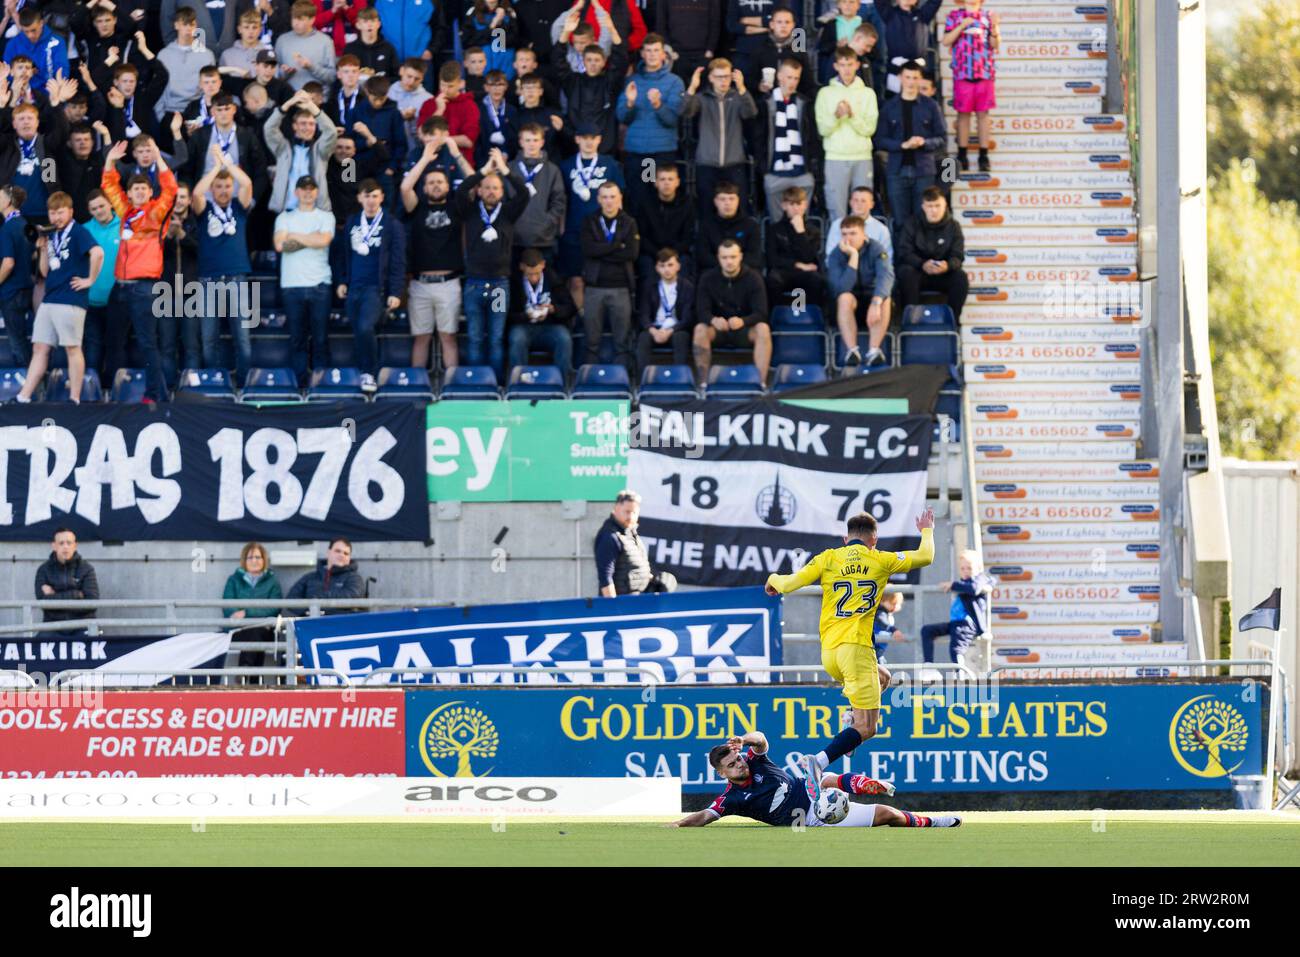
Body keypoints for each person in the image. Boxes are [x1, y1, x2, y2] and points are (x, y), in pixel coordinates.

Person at [764, 507, 935, 773]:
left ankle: (849, 720)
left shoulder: (828, 558)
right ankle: (818, 761)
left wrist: (773, 579)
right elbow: (926, 556)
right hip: (857, 649)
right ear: (874, 540)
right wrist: (927, 529)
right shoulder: (881, 558)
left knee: (884, 678)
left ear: (847, 539)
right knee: (868, 728)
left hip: (830, 653)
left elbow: (787, 585)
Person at [670, 731, 960, 828]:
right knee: (888, 815)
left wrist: (744, 739)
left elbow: (760, 740)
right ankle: (933, 821)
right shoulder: (731, 799)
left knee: (819, 774)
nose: (740, 764)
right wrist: (677, 824)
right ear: (722, 774)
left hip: (807, 787)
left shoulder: (756, 760)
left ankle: (860, 782)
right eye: (732, 765)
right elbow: (704, 816)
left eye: (739, 758)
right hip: (809, 815)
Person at [10, 193, 104, 405]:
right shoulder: (51, 235)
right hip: (50, 298)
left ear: (70, 212)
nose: (56, 217)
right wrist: (43, 248)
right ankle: (23, 396)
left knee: (72, 348)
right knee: (40, 348)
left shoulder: (79, 232)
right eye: (52, 213)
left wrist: (90, 280)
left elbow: (98, 253)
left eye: (60, 212)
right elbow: (44, 271)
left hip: (70, 299)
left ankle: (75, 398)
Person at [454, 148, 530, 379]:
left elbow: (524, 194)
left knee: (496, 337)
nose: (490, 191)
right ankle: (478, 383)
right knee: (476, 337)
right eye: (486, 187)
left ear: (501, 192)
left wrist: (506, 171)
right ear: (480, 191)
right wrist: (484, 171)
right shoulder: (469, 211)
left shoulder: (507, 212)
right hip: (474, 284)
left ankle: (495, 384)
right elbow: (461, 191)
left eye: (495, 188)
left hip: (498, 286)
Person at [192, 149, 257, 388]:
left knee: (243, 338)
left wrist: (226, 164)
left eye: (227, 186)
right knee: (209, 338)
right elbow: (197, 193)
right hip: (208, 279)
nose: (223, 190)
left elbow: (247, 182)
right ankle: (215, 384)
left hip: (236, 277)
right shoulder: (204, 210)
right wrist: (214, 170)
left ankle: (243, 386)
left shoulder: (239, 208)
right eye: (218, 187)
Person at [335, 178, 406, 391]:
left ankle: (370, 372)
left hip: (375, 289)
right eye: (367, 196)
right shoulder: (352, 221)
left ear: (382, 197)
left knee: (366, 328)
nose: (371, 201)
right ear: (359, 198)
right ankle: (362, 372)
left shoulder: (392, 225)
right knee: (358, 331)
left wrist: (395, 291)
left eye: (375, 196)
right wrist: (342, 280)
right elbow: (342, 254)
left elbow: (398, 261)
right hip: (353, 287)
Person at [402, 149, 466, 371]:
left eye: (440, 182)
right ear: (425, 187)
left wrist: (457, 155)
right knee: (421, 339)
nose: (436, 185)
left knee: (448, 338)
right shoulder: (416, 207)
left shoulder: (456, 207)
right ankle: (417, 388)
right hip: (419, 285)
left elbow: (475, 182)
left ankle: (452, 387)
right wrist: (424, 159)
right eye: (431, 182)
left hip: (449, 284)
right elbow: (404, 187)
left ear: (448, 186)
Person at [274, 175, 336, 385]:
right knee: (297, 339)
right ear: (296, 192)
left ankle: (321, 385)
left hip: (320, 284)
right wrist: (311, 237)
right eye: (303, 189)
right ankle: (298, 386)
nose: (308, 193)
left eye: (311, 189)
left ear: (317, 192)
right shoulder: (284, 217)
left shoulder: (326, 216)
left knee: (320, 339)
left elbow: (324, 240)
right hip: (292, 285)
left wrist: (295, 236)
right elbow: (280, 246)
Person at [615, 34, 683, 215]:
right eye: (648, 50)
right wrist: (629, 103)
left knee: (655, 202)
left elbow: (672, 120)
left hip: (657, 153)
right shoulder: (632, 81)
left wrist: (658, 105)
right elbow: (622, 116)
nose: (652, 54)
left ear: (663, 55)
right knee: (638, 202)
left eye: (656, 50)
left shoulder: (674, 82)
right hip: (637, 152)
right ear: (642, 54)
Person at [682, 59, 756, 217]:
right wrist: (692, 88)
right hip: (707, 163)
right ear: (710, 78)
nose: (723, 81)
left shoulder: (737, 97)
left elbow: (750, 112)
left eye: (727, 76)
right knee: (707, 210)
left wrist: (742, 88)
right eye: (719, 77)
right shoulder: (702, 98)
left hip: (734, 162)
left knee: (738, 209)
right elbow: (686, 112)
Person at [875, 60, 945, 226]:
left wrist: (924, 142)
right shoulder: (889, 107)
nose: (911, 82)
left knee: (923, 222)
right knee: (900, 223)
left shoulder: (932, 106)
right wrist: (901, 146)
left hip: (924, 171)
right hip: (896, 171)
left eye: (915, 78)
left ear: (920, 80)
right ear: (900, 78)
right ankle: (902, 253)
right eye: (907, 77)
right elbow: (879, 140)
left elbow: (942, 139)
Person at [692, 237, 770, 383]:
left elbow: (762, 313)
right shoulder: (707, 278)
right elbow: (701, 311)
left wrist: (743, 321)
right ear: (718, 258)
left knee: (763, 329)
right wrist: (713, 320)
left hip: (744, 330)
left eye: (733, 257)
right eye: (725, 257)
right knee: (700, 329)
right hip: (718, 330)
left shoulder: (754, 278)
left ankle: (761, 383)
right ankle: (703, 384)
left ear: (740, 256)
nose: (729, 261)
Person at [579, 181, 639, 370]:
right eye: (604, 197)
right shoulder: (589, 220)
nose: (609, 201)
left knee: (622, 341)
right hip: (594, 288)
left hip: (621, 288)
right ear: (598, 199)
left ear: (620, 198)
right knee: (592, 340)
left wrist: (602, 249)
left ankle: (622, 380)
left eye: (613, 196)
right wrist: (615, 245)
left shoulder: (629, 222)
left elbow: (631, 253)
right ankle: (589, 380)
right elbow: (588, 250)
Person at [814, 45, 876, 219]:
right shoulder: (825, 93)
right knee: (837, 209)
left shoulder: (868, 94)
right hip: (835, 157)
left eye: (850, 65)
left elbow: (870, 129)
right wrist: (836, 116)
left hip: (862, 156)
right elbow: (823, 130)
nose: (846, 69)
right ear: (836, 66)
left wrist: (852, 115)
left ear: (857, 65)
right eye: (842, 65)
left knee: (862, 210)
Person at [756, 58, 820, 222]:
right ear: (779, 76)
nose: (792, 82)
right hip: (774, 170)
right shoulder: (765, 103)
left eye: (796, 78)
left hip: (801, 170)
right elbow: (758, 137)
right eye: (789, 77)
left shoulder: (804, 103)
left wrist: (811, 167)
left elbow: (811, 137)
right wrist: (764, 167)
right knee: (777, 221)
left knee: (801, 219)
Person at [827, 214, 893, 369]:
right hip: (849, 307)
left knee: (885, 298)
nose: (848, 238)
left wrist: (876, 302)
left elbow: (886, 276)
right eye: (844, 234)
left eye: (853, 233)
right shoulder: (836, 255)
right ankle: (852, 351)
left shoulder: (876, 248)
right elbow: (842, 288)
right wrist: (854, 257)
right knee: (844, 297)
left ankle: (874, 351)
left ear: (864, 234)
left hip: (872, 305)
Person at [942, 0, 999, 171]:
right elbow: (946, 40)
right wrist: (961, 27)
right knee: (963, 116)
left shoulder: (988, 16)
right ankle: (962, 155)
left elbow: (996, 44)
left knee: (983, 116)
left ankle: (983, 155)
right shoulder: (954, 16)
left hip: (984, 73)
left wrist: (995, 27)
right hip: (962, 73)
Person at [895, 186, 969, 319]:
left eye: (937, 205)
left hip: (943, 273)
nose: (934, 210)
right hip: (918, 271)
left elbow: (958, 255)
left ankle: (951, 321)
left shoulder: (954, 226)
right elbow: (904, 252)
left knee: (960, 278)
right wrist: (922, 264)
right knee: (905, 273)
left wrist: (947, 265)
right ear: (923, 206)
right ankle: (910, 320)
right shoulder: (911, 223)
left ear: (945, 204)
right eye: (929, 206)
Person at [264, 88, 341, 213]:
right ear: (295, 126)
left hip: (315, 212)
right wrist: (287, 105)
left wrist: (311, 106)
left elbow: (331, 132)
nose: (307, 128)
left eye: (311, 124)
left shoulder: (320, 150)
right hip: (285, 210)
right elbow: (269, 128)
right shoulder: (283, 148)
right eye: (303, 123)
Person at [593, 489, 678, 597]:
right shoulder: (609, 536)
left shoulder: (631, 534)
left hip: (638, 601)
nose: (630, 517)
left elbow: (635, 568)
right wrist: (613, 608)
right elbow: (605, 578)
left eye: (634, 512)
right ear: (616, 509)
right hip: (622, 606)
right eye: (627, 512)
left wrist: (656, 580)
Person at [922, 549, 995, 666]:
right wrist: (955, 585)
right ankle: (929, 667)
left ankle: (960, 673)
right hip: (955, 622)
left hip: (967, 623)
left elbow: (974, 588)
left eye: (969, 568)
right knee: (927, 630)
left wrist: (953, 585)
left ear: (979, 568)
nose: (966, 571)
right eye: (962, 568)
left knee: (956, 648)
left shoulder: (981, 578)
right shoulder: (963, 583)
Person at [508, 247, 575, 371]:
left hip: (550, 326)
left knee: (564, 338)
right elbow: (505, 314)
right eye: (529, 274)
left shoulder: (554, 279)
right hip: (523, 326)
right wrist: (525, 315)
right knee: (516, 338)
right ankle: (517, 381)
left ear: (543, 265)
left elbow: (570, 308)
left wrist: (553, 310)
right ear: (522, 267)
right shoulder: (513, 281)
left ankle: (563, 383)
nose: (534, 278)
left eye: (537, 273)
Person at [511, 123, 566, 263]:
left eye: (535, 140)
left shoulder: (553, 170)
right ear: (520, 142)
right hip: (513, 239)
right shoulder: (509, 169)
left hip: (543, 239)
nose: (532, 144)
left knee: (543, 283)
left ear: (542, 142)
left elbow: (559, 202)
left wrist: (546, 222)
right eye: (527, 140)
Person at [764, 186, 827, 308]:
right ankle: (776, 318)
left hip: (806, 273)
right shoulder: (774, 229)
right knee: (772, 280)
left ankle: (813, 318)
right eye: (791, 204)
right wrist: (798, 265)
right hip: (783, 271)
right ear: (784, 206)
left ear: (805, 205)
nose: (796, 208)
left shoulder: (813, 230)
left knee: (817, 280)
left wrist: (800, 232)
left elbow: (809, 258)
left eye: (799, 204)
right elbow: (772, 259)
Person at [635, 162, 695, 282]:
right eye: (662, 179)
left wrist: (672, 255)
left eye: (670, 179)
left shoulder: (687, 204)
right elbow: (642, 236)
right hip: (652, 253)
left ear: (677, 182)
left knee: (685, 264)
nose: (666, 183)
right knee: (645, 266)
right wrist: (658, 255)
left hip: (678, 253)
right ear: (656, 182)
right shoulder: (646, 204)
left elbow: (688, 237)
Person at [636, 247, 693, 371]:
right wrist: (653, 330)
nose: (666, 269)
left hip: (676, 329)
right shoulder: (649, 285)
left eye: (670, 265)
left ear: (678, 266)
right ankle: (643, 381)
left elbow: (687, 318)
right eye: (662, 266)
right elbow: (643, 314)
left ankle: (680, 377)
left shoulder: (687, 286)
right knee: (643, 338)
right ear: (656, 268)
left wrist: (670, 331)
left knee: (681, 337)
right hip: (655, 328)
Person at [35, 528, 100, 629]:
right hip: (52, 626)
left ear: (75, 546)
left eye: (69, 543)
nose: (65, 547)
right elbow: (43, 603)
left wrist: (55, 597)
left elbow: (92, 603)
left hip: (83, 625)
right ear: (54, 546)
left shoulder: (86, 568)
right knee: (37, 642)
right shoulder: (44, 570)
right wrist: (77, 595)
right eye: (61, 543)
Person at [0, 185, 33, 370]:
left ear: (8, 202)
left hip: (11, 292)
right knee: (22, 339)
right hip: (26, 289)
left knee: (17, 342)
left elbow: (8, 263)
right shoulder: (25, 223)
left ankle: (27, 386)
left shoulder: (7, 229)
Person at [285, 537, 367, 611]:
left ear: (349, 558)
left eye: (346, 553)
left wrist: (318, 599)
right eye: (337, 551)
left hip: (342, 624)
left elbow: (353, 596)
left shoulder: (354, 578)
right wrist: (310, 611)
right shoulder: (310, 577)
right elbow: (291, 599)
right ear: (328, 552)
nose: (342, 555)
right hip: (312, 624)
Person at [694, 182, 760, 271]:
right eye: (722, 199)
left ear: (738, 201)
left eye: (732, 199)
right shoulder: (706, 226)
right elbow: (703, 256)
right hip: (713, 272)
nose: (727, 203)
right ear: (715, 201)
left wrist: (733, 268)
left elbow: (754, 256)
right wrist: (725, 267)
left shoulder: (751, 225)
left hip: (744, 273)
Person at [275, 0, 338, 92]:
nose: (296, 23)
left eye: (300, 19)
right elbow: (274, 76)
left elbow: (331, 77)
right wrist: (284, 73)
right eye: (294, 18)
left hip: (316, 101)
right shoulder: (282, 40)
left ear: (312, 20)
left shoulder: (325, 41)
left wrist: (311, 67)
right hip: (289, 99)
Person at [222, 541, 284, 624]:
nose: (254, 561)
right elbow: (227, 604)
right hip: (237, 626)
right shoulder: (233, 580)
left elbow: (274, 609)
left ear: (264, 560)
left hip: (262, 628)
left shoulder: (272, 581)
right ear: (244, 560)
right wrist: (236, 615)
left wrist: (246, 613)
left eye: (258, 557)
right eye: (250, 557)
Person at [872, 590, 906, 664]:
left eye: (897, 604)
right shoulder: (880, 612)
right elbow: (883, 622)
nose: (895, 606)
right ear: (882, 601)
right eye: (892, 603)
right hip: (875, 646)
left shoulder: (886, 613)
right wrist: (893, 630)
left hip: (878, 646)